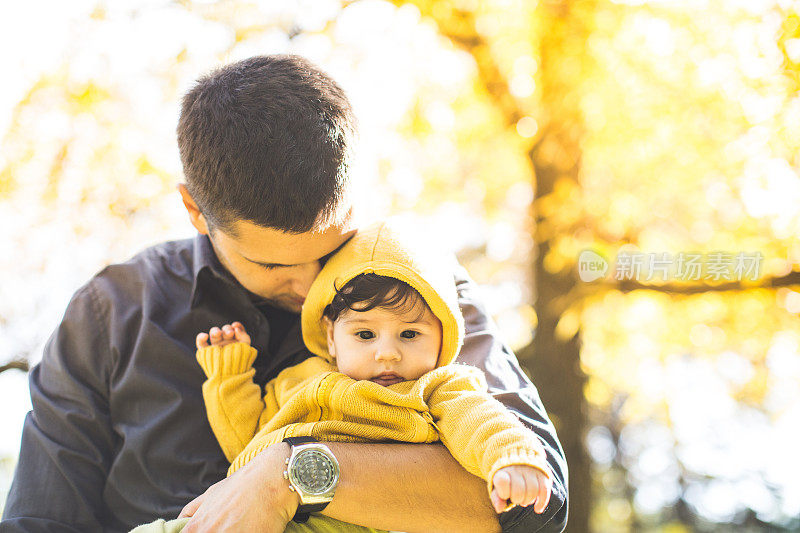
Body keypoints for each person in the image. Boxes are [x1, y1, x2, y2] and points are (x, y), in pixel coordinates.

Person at [2, 54, 567, 533]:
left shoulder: (416, 289)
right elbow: (42, 520)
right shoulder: (112, 314)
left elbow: (538, 507)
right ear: (196, 211)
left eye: (330, 252)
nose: (309, 285)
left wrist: (290, 474)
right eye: (272, 263)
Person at [132, 221, 554, 532]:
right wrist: (229, 375)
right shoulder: (299, 379)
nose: (387, 352)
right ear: (331, 338)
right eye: (365, 334)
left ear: (443, 335)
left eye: (410, 334)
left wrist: (512, 458)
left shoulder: (438, 388)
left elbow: (482, 422)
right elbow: (247, 438)